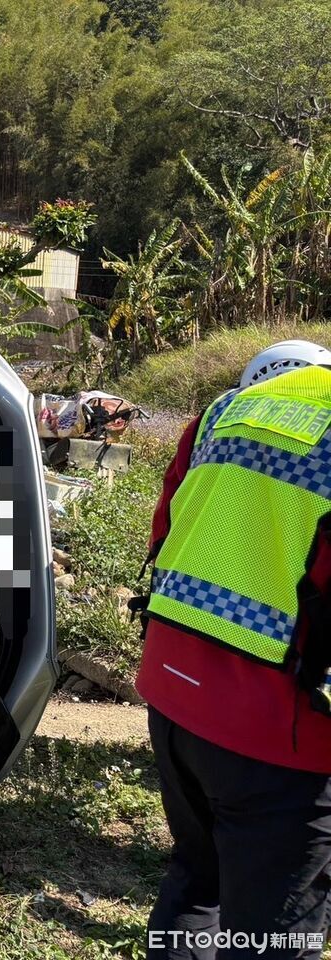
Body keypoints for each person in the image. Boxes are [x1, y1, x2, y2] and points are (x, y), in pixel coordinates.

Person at [135, 339, 331, 959]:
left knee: (198, 877)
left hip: (173, 692)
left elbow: (163, 533)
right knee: (273, 934)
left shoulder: (224, 410)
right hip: (280, 729)